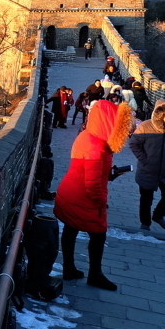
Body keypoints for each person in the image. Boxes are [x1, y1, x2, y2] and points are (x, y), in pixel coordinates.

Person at [54, 100, 134, 291]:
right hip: (83, 196)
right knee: (98, 234)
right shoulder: (96, 148)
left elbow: (89, 171)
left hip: (70, 191)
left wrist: (108, 173)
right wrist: (102, 203)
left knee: (70, 229)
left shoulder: (87, 136)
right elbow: (92, 185)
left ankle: (69, 268)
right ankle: (95, 274)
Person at [129, 101, 165, 231]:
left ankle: (158, 215)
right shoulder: (145, 126)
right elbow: (134, 144)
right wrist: (145, 159)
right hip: (147, 169)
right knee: (146, 199)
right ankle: (145, 223)